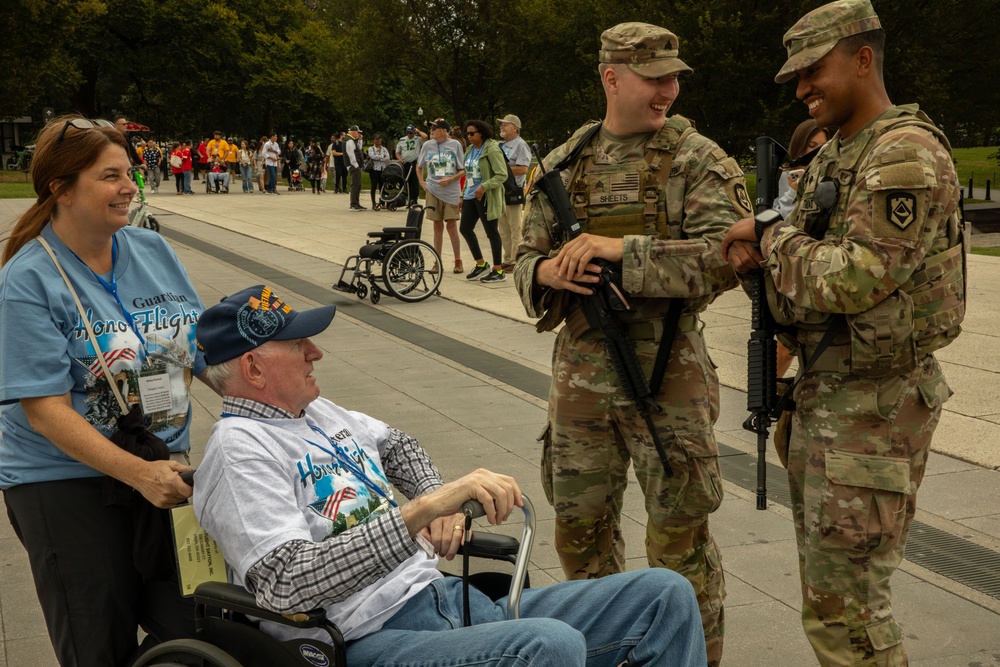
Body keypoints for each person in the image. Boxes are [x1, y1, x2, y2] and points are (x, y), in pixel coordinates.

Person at [191, 285, 707, 667]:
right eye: (298, 343)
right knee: (548, 647)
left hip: (439, 601)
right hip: (359, 640)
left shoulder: (319, 411)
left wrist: (433, 494)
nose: (316, 352)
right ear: (254, 369)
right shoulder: (239, 451)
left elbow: (399, 446)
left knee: (666, 594)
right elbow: (288, 584)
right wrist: (421, 513)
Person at [720, 2, 964, 665]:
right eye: (795, 76)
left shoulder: (901, 155)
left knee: (850, 614)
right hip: (834, 402)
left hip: (873, 409)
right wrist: (757, 261)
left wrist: (769, 237)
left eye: (812, 70)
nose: (801, 88)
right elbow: (801, 283)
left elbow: (853, 280)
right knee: (833, 607)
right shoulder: (839, 156)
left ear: (862, 59)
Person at [514, 23, 752, 667]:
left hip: (668, 376)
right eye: (656, 78)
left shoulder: (697, 158)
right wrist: (546, 271)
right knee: (578, 536)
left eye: (675, 77)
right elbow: (523, 256)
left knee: (680, 543)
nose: (669, 90)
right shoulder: (566, 163)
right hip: (581, 378)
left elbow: (729, 257)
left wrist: (621, 251)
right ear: (611, 77)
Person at [0, 116, 210, 666]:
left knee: (203, 627)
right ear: (61, 189)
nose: (129, 187)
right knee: (99, 646)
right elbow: (43, 410)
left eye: (129, 173)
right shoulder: (28, 279)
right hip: (64, 483)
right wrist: (140, 475)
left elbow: (198, 346)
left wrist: (281, 392)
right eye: (109, 175)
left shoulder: (150, 249)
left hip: (160, 469)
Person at [459, 119, 508, 283]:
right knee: (465, 228)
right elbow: (469, 174)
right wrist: (462, 194)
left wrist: (485, 186)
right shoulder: (470, 149)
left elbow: (502, 174)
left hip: (485, 197)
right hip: (470, 196)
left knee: (491, 232)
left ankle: (498, 270)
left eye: (472, 133)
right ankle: (481, 264)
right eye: (467, 134)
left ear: (482, 133)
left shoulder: (492, 149)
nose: (469, 136)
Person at [417, 118, 466, 273]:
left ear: (443, 131)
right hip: (433, 190)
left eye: (434, 128)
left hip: (450, 191)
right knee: (437, 226)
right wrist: (422, 183)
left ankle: (458, 261)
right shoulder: (427, 145)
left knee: (451, 226)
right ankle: (437, 262)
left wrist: (451, 179)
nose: (431, 130)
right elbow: (419, 167)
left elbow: (463, 169)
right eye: (431, 128)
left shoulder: (455, 145)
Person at [772, 119, 831, 220]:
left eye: (823, 147)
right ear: (800, 145)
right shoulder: (786, 176)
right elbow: (779, 218)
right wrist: (793, 192)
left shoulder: (830, 174)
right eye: (812, 146)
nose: (818, 152)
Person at [496, 114, 531, 272]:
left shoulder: (521, 145)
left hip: (514, 190)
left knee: (515, 226)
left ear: (515, 128)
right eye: (501, 125)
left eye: (505, 124)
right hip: (500, 190)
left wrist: (501, 170)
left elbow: (523, 169)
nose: (502, 127)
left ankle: (516, 259)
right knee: (503, 227)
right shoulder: (501, 145)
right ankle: (508, 258)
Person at [395, 124, 426, 205]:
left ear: (414, 132)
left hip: (415, 162)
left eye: (411, 133)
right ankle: (408, 198)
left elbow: (425, 137)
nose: (409, 134)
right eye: (407, 133)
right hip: (406, 163)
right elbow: (397, 152)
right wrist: (400, 159)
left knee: (415, 182)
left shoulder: (417, 139)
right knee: (407, 181)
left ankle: (414, 199)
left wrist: (418, 131)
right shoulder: (402, 140)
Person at [367, 134, 391, 210]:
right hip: (374, 169)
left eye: (379, 139)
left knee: (382, 186)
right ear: (374, 140)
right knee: (373, 186)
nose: (378, 141)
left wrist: (380, 158)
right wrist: (381, 157)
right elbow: (372, 156)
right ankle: (373, 202)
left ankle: (383, 202)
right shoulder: (371, 149)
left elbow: (387, 157)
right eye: (377, 139)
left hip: (382, 169)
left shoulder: (384, 149)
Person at [345, 126, 365, 211]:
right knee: (355, 184)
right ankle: (353, 204)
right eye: (358, 132)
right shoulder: (349, 140)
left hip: (355, 165)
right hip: (353, 165)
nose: (359, 134)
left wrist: (360, 140)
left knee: (358, 184)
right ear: (353, 132)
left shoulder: (353, 140)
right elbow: (351, 155)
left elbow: (358, 149)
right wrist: (356, 165)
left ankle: (357, 203)